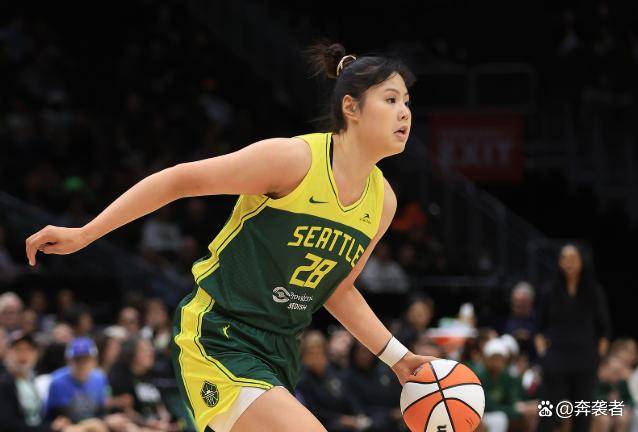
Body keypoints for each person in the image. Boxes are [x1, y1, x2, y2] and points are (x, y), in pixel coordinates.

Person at [24, 40, 436, 432]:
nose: (404, 112)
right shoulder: (294, 160)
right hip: (219, 334)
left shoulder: (383, 202)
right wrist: (86, 233)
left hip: (280, 351)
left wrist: (397, 359)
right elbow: (179, 181)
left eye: (407, 102)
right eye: (390, 99)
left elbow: (339, 290)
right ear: (351, 107)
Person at [536, 243, 612, 432]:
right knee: (547, 414)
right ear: (559, 262)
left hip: (585, 360)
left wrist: (597, 358)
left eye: (573, 258)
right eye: (564, 258)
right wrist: (544, 355)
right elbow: (538, 330)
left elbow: (604, 331)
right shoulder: (549, 292)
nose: (568, 262)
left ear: (582, 262)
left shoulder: (594, 292)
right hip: (555, 359)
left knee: (582, 416)